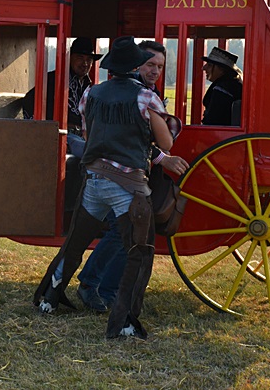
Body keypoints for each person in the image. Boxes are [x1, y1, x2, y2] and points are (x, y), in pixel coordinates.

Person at [33, 36, 179, 340]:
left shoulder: (92, 92)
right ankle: (123, 322)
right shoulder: (145, 98)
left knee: (75, 243)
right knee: (139, 251)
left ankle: (49, 298)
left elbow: (89, 133)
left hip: (94, 181)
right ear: (136, 66)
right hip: (128, 186)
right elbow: (166, 142)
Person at [70, 40, 187, 313]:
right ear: (136, 65)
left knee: (126, 234)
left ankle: (97, 287)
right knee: (126, 233)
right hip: (119, 175)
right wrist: (163, 157)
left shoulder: (146, 93)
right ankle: (94, 284)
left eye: (160, 66)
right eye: (150, 64)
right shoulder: (138, 95)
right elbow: (126, 138)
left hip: (126, 173)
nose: (155, 71)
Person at [21, 37, 102, 154]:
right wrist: (42, 133)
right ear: (70, 58)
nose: (85, 64)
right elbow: (29, 101)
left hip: (82, 136)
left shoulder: (89, 86)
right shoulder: (54, 80)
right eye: (80, 58)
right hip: (61, 136)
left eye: (89, 59)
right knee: (93, 153)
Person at [201, 46, 243, 125]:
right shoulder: (233, 85)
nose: (204, 68)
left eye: (209, 65)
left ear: (221, 69)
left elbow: (213, 122)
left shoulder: (222, 89)